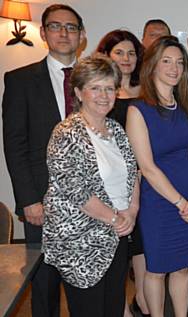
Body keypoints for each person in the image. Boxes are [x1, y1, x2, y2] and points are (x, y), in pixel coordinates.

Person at [2, 4, 85, 316]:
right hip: (43, 201)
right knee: (45, 284)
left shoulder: (96, 78)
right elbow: (15, 145)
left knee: (86, 283)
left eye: (71, 27)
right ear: (43, 32)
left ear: (82, 35)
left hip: (91, 201)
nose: (64, 33)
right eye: (55, 26)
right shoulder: (20, 80)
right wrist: (29, 200)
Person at [42, 55, 139, 316]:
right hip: (81, 243)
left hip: (116, 234)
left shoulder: (116, 130)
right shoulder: (66, 133)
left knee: (113, 307)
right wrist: (116, 218)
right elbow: (76, 191)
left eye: (109, 88)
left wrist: (131, 212)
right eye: (95, 88)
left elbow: (134, 174)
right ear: (78, 92)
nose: (104, 95)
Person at [126, 36, 188, 317]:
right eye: (166, 61)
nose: (174, 68)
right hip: (160, 204)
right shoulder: (138, 110)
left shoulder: (186, 108)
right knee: (157, 269)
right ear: (152, 66)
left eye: (179, 62)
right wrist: (180, 202)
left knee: (183, 267)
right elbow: (146, 167)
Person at [95, 29, 148, 317]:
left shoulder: (148, 89)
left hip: (144, 178)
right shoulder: (102, 94)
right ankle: (121, 308)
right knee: (117, 245)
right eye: (119, 52)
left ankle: (141, 298)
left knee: (141, 244)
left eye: (131, 53)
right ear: (106, 55)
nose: (126, 58)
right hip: (111, 183)